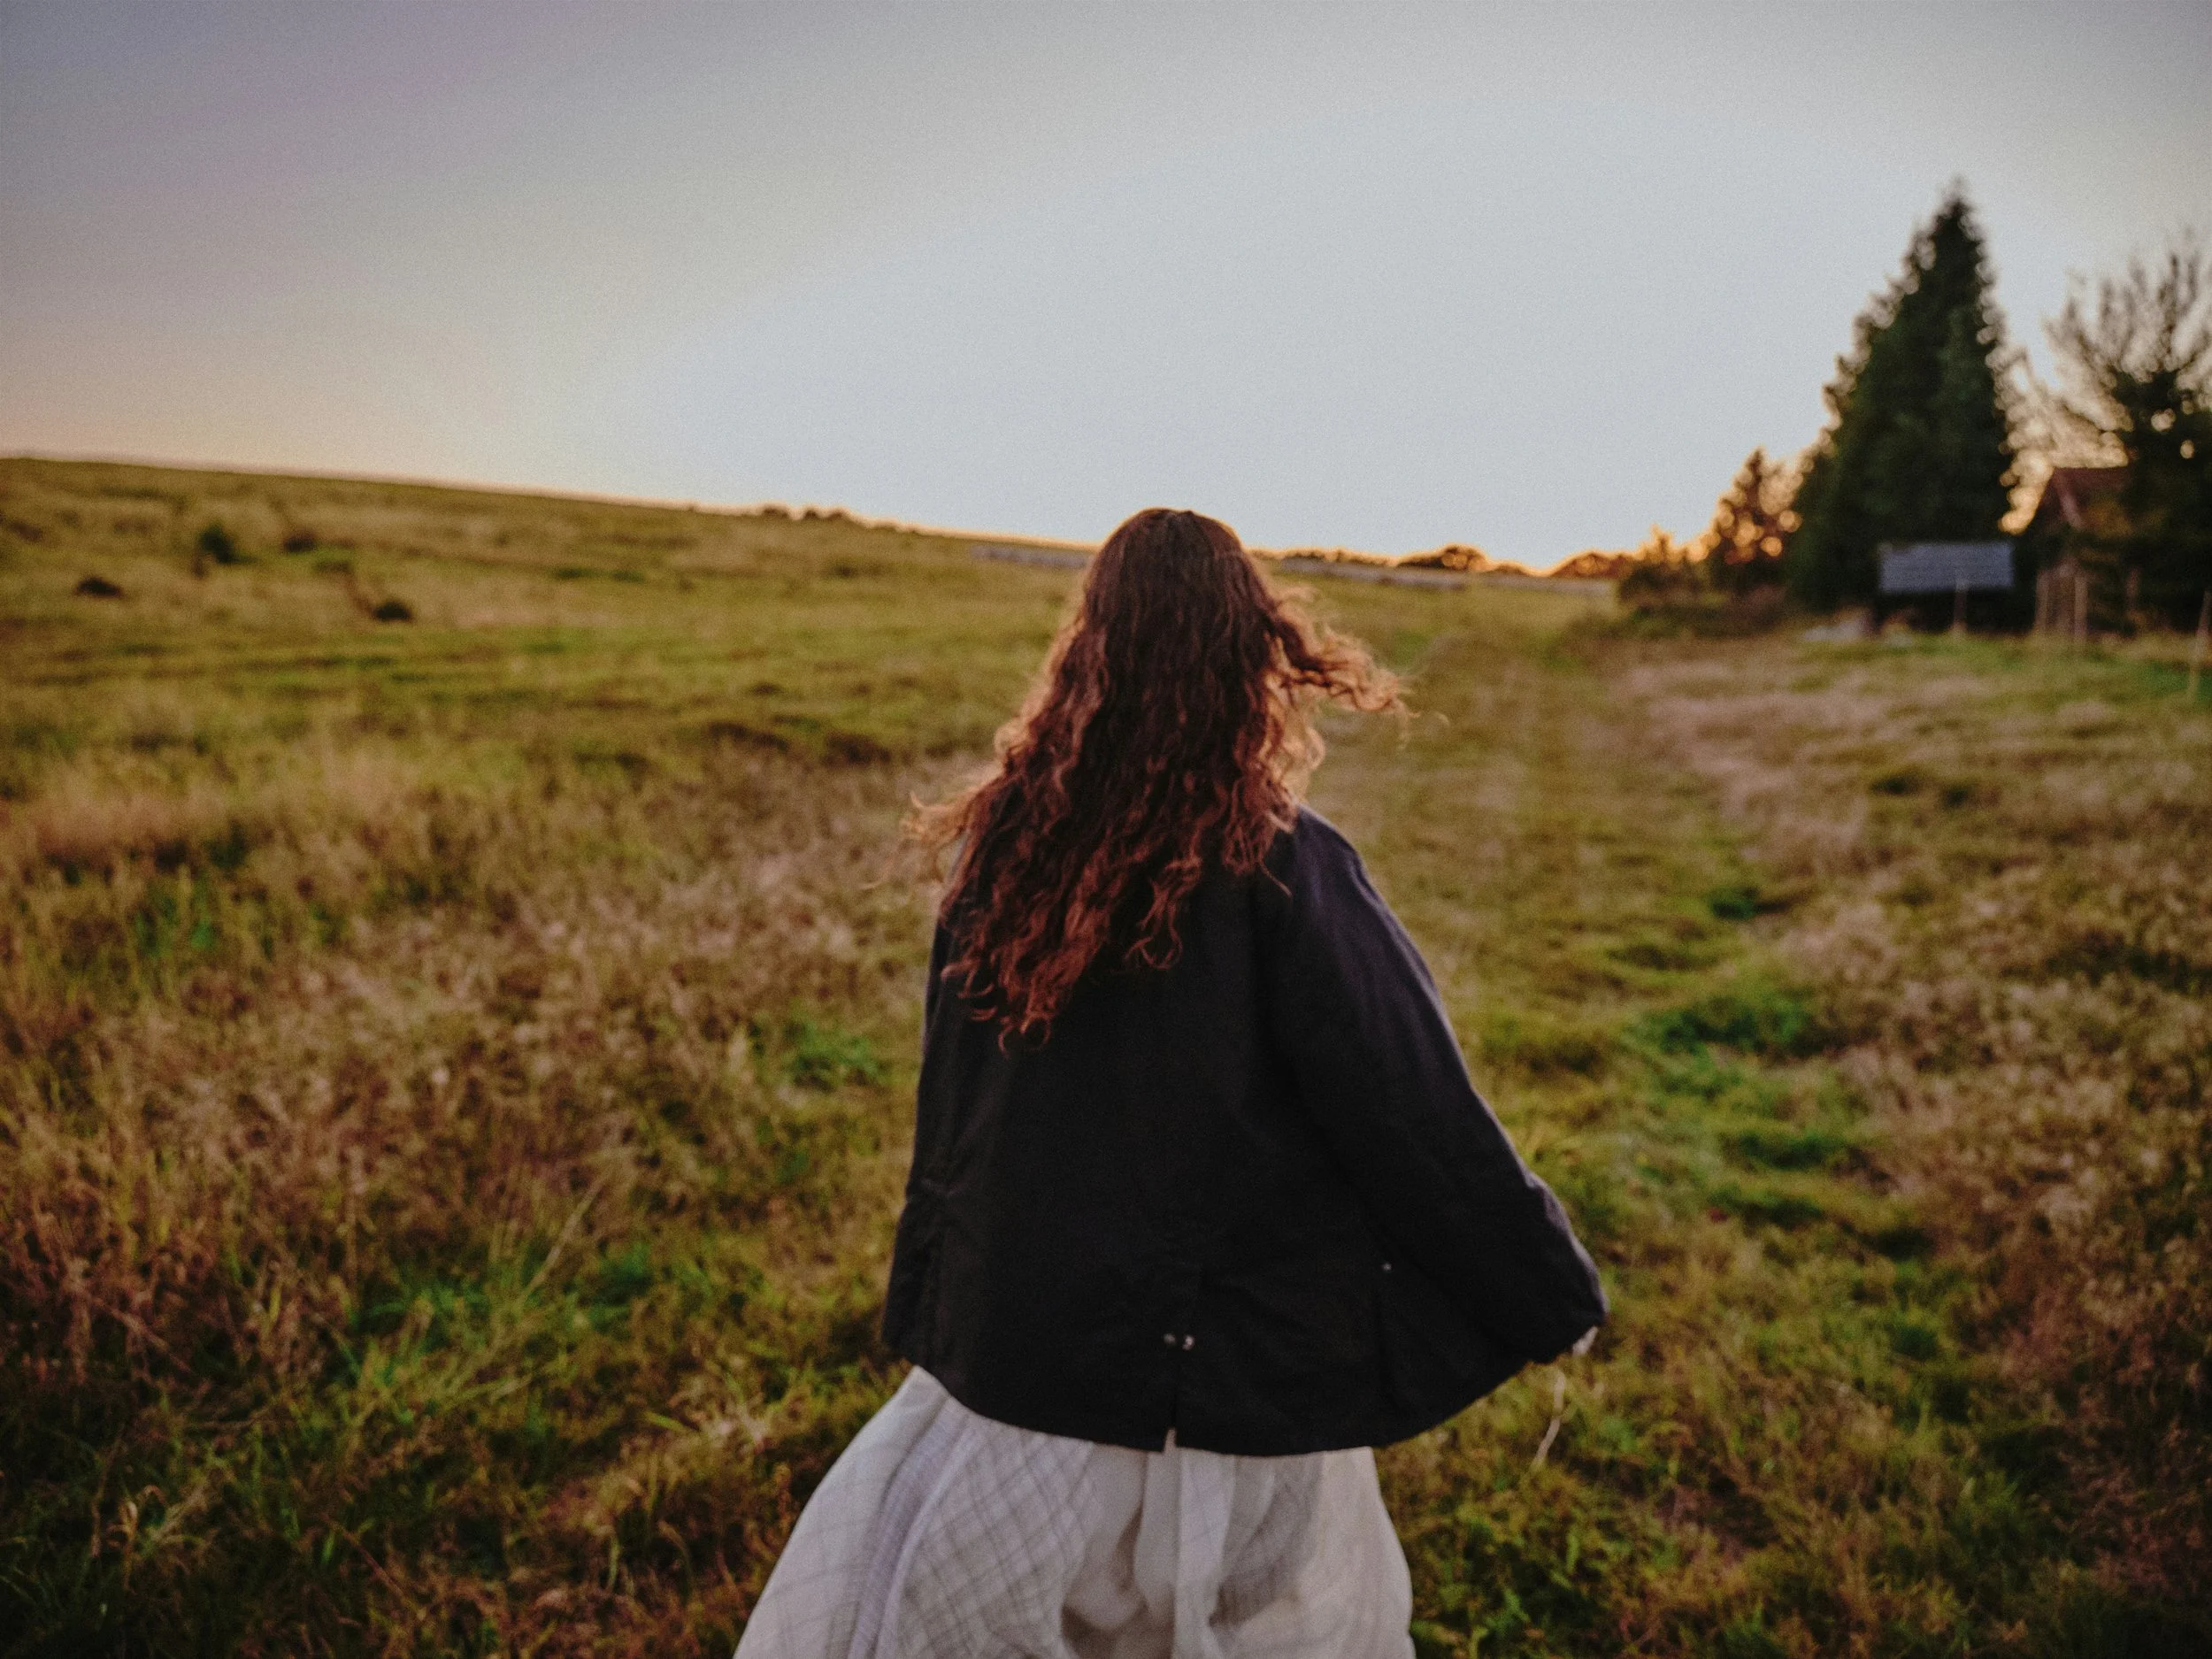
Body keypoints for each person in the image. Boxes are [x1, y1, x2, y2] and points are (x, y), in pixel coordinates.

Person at [736, 509, 1606, 1659]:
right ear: (1255, 662)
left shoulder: (1005, 850)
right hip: (1218, 1391)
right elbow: (1417, 1114)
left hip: (1021, 1378)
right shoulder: (1286, 866)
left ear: (1088, 651)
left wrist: (955, 1296)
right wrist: (1547, 1286)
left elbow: (952, 1116)